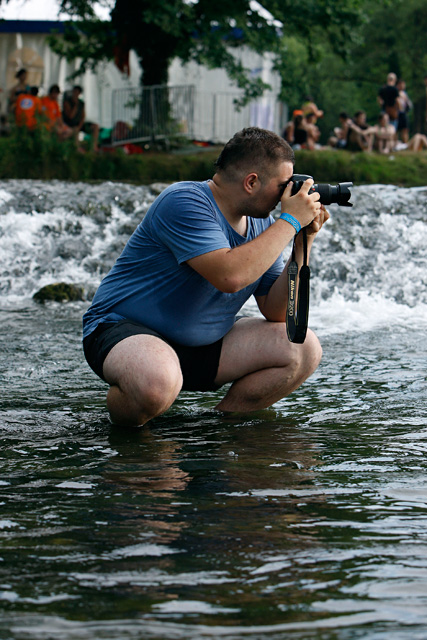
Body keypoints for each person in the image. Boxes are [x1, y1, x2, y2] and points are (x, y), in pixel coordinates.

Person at [82, 127, 328, 428]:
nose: (285, 197)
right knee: (155, 382)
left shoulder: (263, 226)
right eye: (282, 186)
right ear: (251, 182)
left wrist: (303, 240)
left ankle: (216, 430)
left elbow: (277, 311)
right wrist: (290, 221)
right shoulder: (184, 201)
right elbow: (231, 276)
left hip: (203, 346)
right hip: (125, 331)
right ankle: (119, 430)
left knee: (303, 348)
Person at [62, 85, 99, 150]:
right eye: (75, 92)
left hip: (78, 124)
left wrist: (80, 125)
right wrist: (75, 106)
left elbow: (83, 116)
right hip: (70, 124)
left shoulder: (81, 103)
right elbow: (70, 116)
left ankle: (93, 147)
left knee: (95, 126)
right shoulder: (67, 101)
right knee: (75, 130)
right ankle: (78, 149)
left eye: (77, 92)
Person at [396, 79, 412, 144]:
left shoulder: (405, 93)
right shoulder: (396, 93)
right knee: (397, 130)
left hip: (404, 113)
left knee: (405, 129)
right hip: (397, 113)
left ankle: (405, 144)